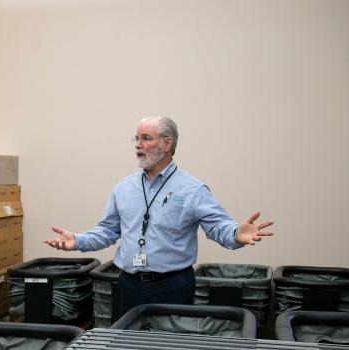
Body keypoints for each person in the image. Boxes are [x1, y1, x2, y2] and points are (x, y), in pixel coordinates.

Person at [45, 116, 274, 318]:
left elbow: (218, 227)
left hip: (173, 286)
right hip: (128, 285)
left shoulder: (192, 189)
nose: (138, 145)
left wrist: (236, 233)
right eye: (136, 138)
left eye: (145, 138)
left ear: (167, 143)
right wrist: (77, 240)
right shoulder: (124, 188)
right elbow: (107, 230)